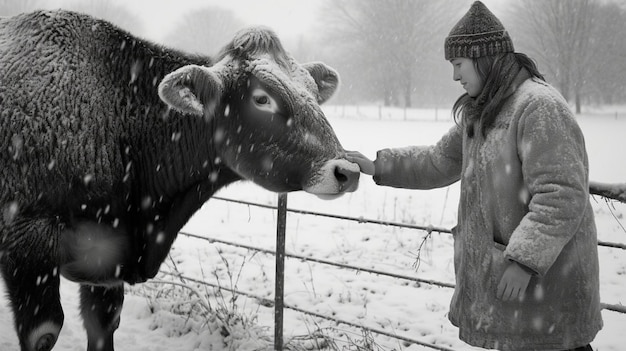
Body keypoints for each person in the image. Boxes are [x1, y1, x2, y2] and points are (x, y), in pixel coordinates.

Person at [346, 2, 602, 350]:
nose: (454, 76)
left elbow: (562, 194)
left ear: (483, 57)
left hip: (547, 300)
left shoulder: (539, 108)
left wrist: (524, 260)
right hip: (518, 304)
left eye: (458, 64)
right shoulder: (481, 113)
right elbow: (438, 161)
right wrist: (379, 166)